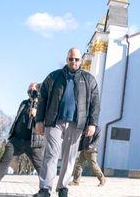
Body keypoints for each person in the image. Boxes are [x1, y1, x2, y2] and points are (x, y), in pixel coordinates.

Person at [33, 48, 100, 197]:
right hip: (54, 121)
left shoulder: (89, 79)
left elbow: (95, 103)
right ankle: (45, 189)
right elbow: (42, 98)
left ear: (81, 60)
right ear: (66, 59)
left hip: (77, 123)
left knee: (69, 157)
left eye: (76, 59)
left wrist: (92, 123)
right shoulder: (53, 77)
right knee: (50, 154)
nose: (73, 62)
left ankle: (62, 187)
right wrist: (39, 120)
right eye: (71, 59)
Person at [0, 83, 44, 193]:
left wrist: (37, 113)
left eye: (33, 90)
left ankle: (44, 190)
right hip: (17, 140)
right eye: (29, 90)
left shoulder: (43, 105)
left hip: (33, 142)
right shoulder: (24, 103)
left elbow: (45, 123)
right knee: (4, 161)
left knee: (41, 167)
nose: (31, 92)